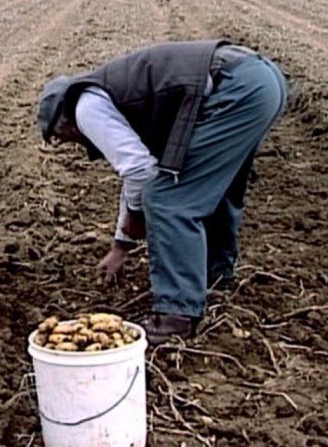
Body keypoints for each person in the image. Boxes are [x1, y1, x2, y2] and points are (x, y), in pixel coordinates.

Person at [36, 40, 288, 344]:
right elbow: (136, 170)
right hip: (260, 80)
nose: (70, 144)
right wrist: (121, 247)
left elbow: (140, 173)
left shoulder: (85, 107)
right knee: (212, 188)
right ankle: (216, 276)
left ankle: (175, 315)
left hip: (239, 87)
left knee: (168, 199)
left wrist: (136, 216)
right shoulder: (104, 95)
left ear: (63, 121)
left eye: (61, 138)